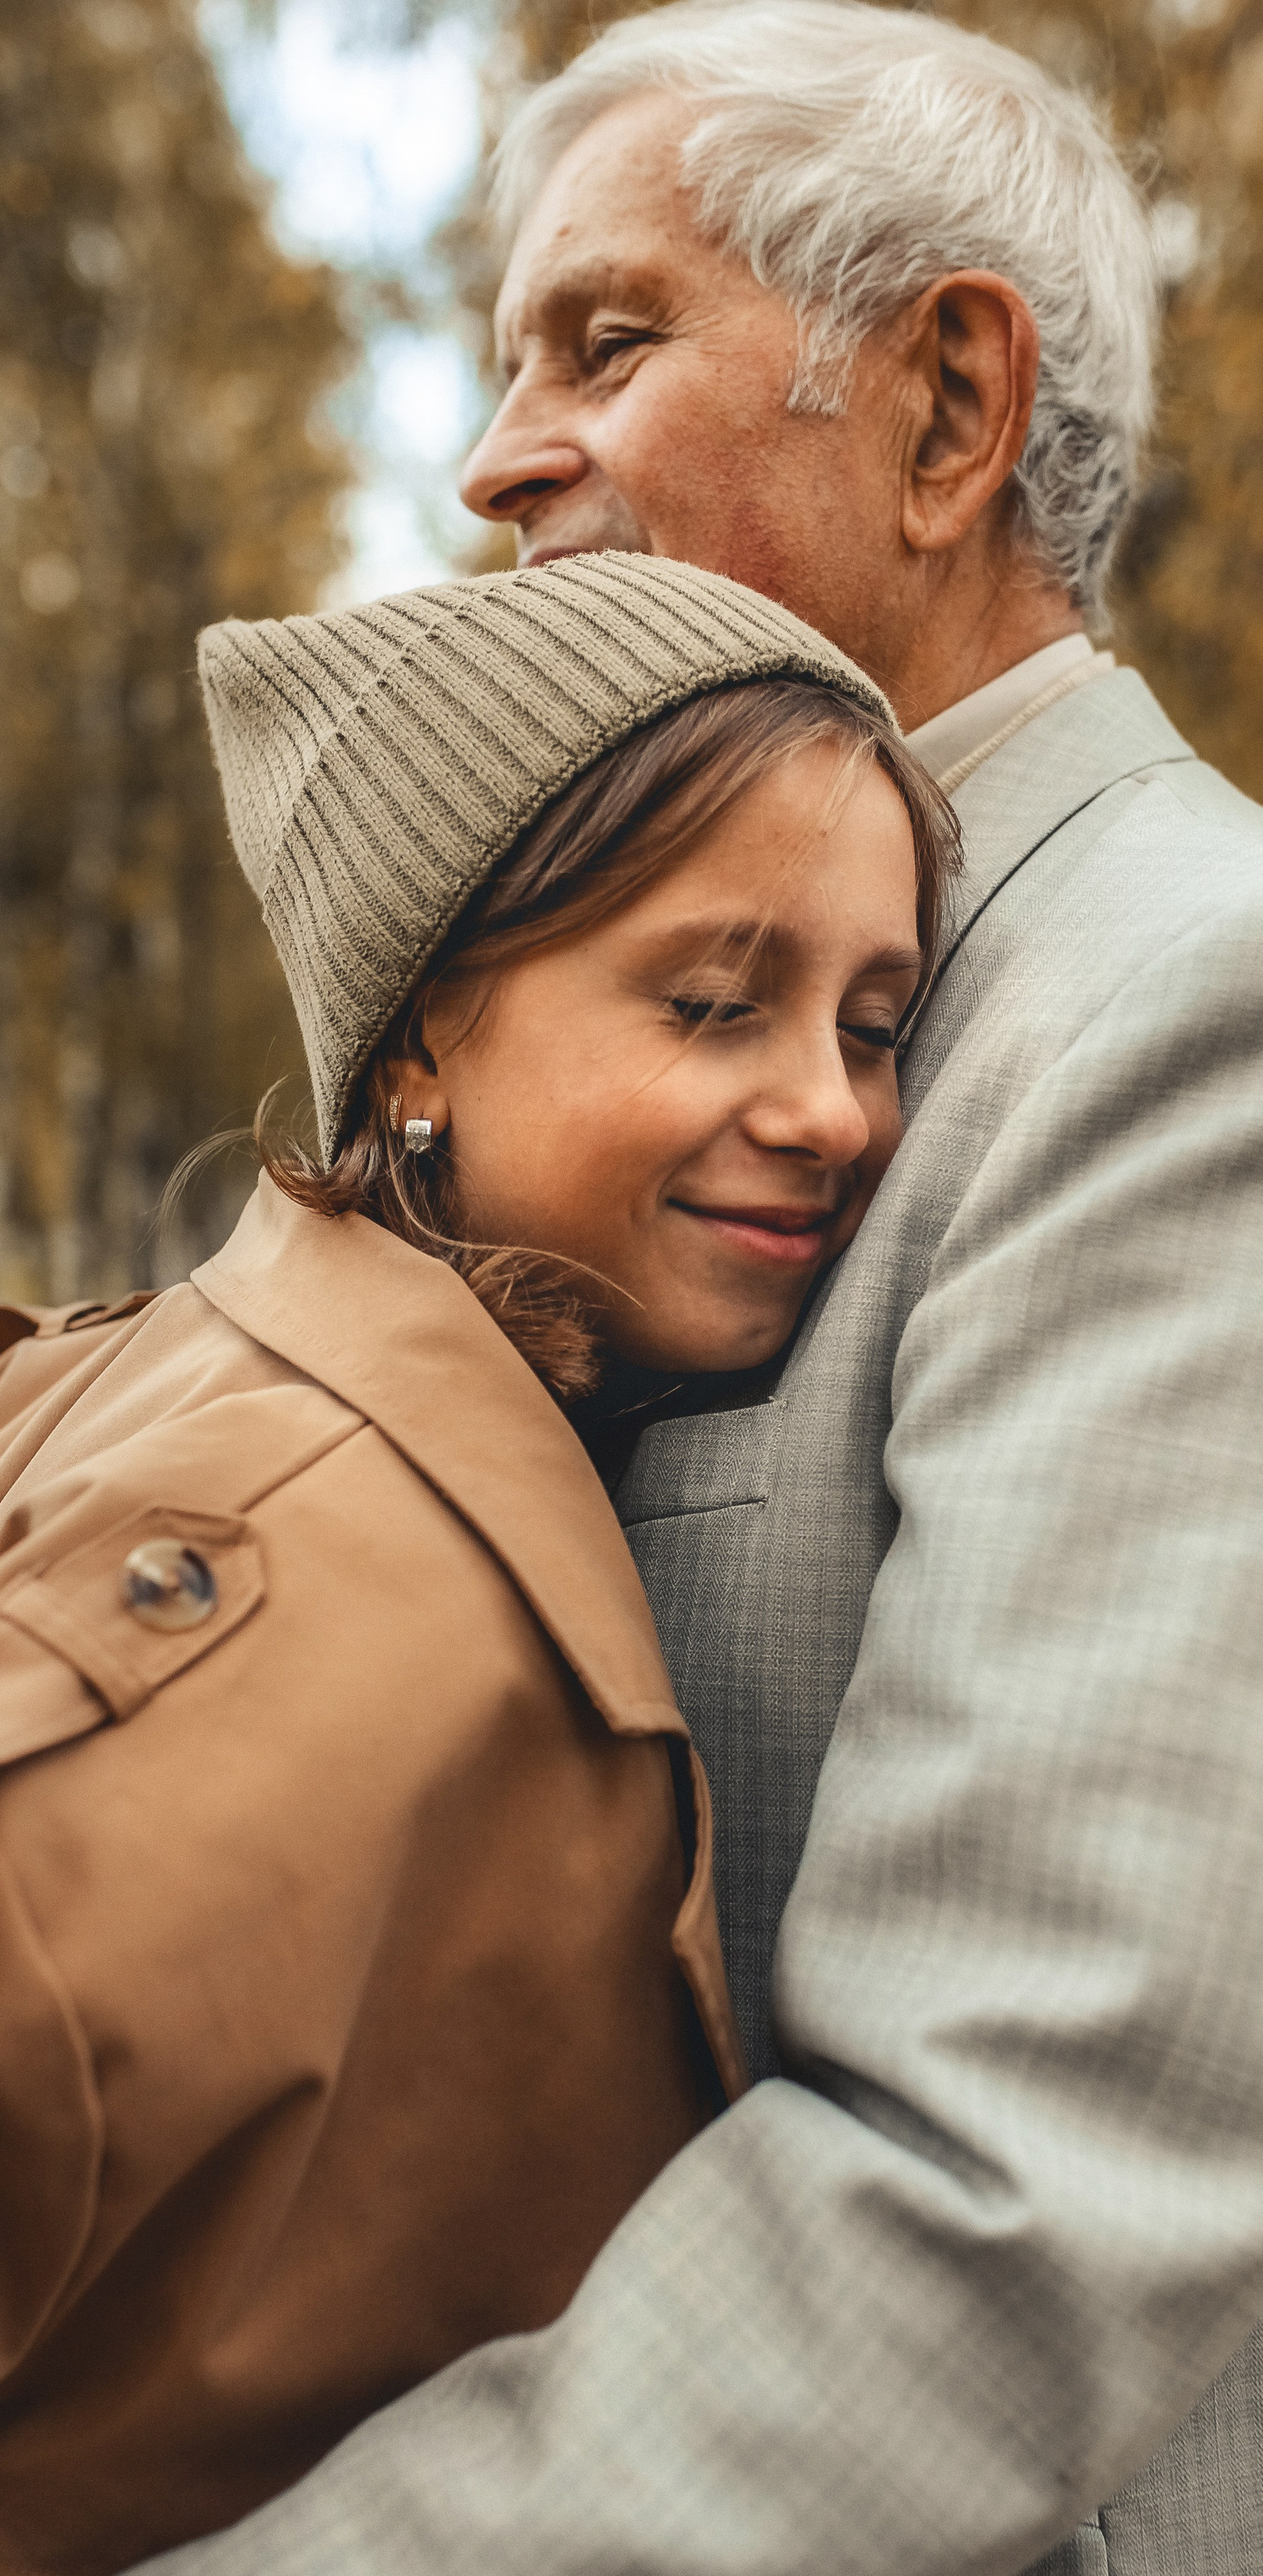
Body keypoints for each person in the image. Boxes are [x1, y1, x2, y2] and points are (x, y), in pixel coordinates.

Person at [130, 9, 1263, 2576]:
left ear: (950, 409)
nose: (493, 456)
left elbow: (1012, 2201)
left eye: (604, 342)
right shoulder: (700, 989)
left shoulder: (1195, 1013)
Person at [0, 556, 954, 2575]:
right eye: (715, 1002)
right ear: (418, 1046)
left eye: (880, 1021)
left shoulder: (205, 1350)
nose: (833, 1109)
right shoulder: (318, 1558)